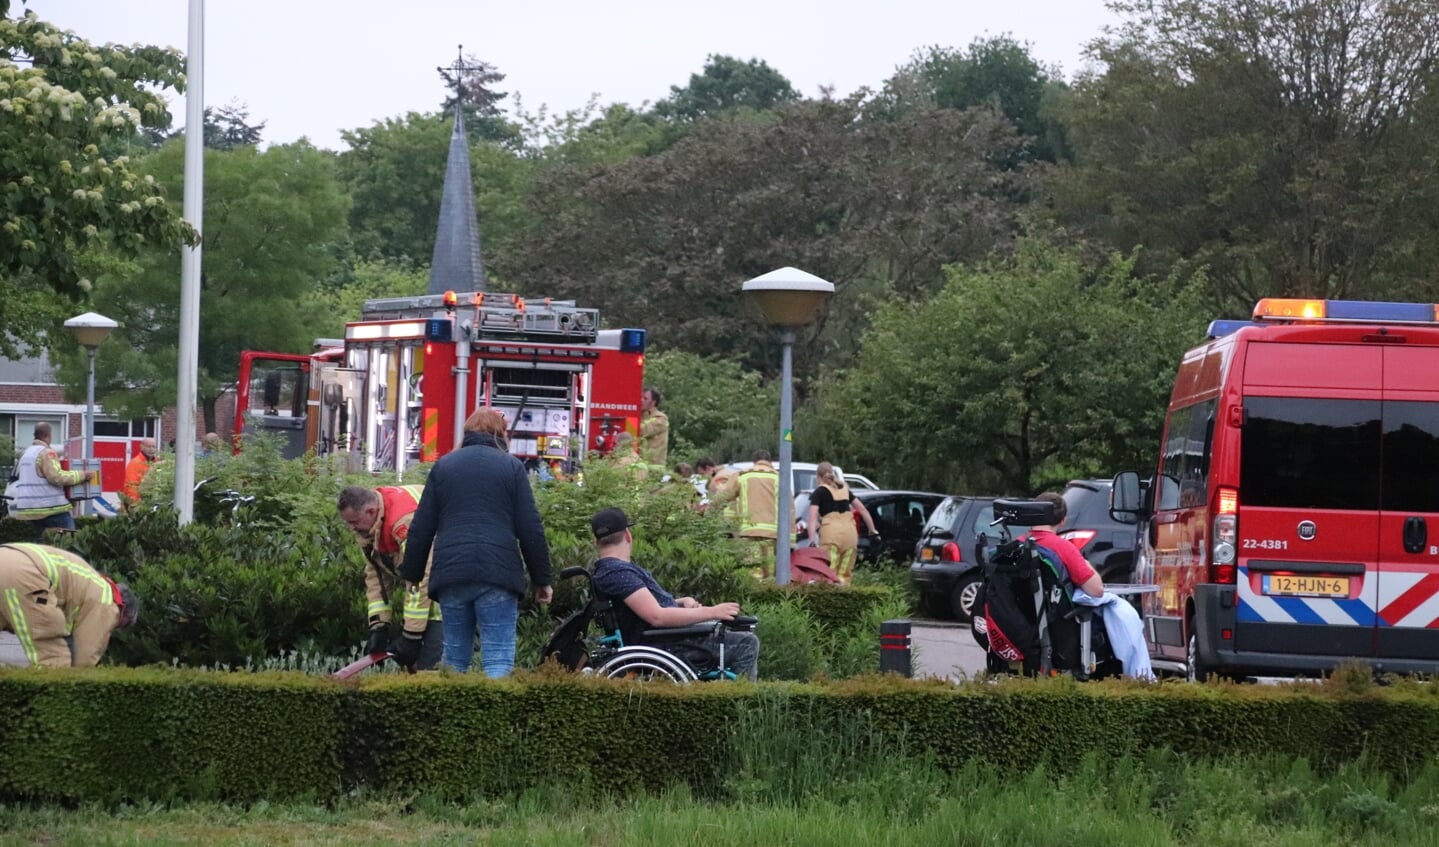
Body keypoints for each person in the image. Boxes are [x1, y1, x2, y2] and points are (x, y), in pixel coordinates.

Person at [400, 408, 553, 677]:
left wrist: (412, 574)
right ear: (501, 434)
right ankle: (495, 717)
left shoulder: (444, 466)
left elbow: (421, 526)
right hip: (498, 574)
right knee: (497, 659)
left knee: (454, 659)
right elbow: (530, 528)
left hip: (451, 574)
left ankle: (452, 716)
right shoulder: (512, 468)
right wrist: (542, 580)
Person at [590, 507, 758, 681]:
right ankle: (740, 701)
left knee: (739, 628)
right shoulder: (617, 572)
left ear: (597, 542)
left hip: (662, 637)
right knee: (746, 642)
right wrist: (713, 612)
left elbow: (638, 607)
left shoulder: (611, 571)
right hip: (665, 642)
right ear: (628, 535)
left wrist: (679, 602)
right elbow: (657, 616)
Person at [337, 485, 443, 670]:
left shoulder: (403, 522)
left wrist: (412, 634)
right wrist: (379, 625)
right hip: (433, 583)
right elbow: (376, 576)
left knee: (429, 671)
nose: (351, 528)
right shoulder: (371, 525)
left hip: (444, 587)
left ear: (370, 511)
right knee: (413, 669)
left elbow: (421, 576)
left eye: (354, 522)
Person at [0, 543, 139, 667]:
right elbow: (87, 653)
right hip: (24, 574)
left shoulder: (91, 581)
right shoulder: (106, 603)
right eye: (118, 624)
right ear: (123, 609)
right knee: (53, 656)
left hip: (7, 556)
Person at [711, 450, 786, 578]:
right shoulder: (779, 478)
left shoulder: (743, 475)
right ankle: (770, 593)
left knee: (753, 569)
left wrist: (710, 511)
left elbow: (722, 497)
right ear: (770, 462)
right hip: (772, 533)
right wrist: (790, 541)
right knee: (770, 571)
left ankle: (753, 595)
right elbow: (789, 510)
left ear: (754, 462)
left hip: (749, 530)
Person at [12, 422, 90, 541]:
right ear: (48, 435)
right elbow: (57, 477)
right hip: (51, 509)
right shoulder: (47, 453)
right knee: (69, 542)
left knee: (43, 545)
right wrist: (82, 475)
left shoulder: (27, 453)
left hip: (30, 510)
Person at [805, 461, 879, 585]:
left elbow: (812, 518)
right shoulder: (845, 490)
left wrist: (812, 541)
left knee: (828, 573)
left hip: (831, 536)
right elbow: (862, 510)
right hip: (850, 536)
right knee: (844, 575)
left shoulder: (819, 492)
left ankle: (829, 601)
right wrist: (873, 530)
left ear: (818, 477)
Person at [121, 439, 158, 509]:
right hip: (138, 504)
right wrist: (135, 504)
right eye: (148, 446)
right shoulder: (135, 463)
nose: (151, 449)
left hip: (152, 503)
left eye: (153, 447)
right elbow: (131, 486)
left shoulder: (158, 462)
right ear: (142, 447)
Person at [638, 386, 669, 468]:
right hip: (640, 465)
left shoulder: (661, 418)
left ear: (653, 402)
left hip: (653, 468)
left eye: (645, 398)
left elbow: (641, 431)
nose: (641, 400)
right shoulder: (639, 416)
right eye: (639, 397)